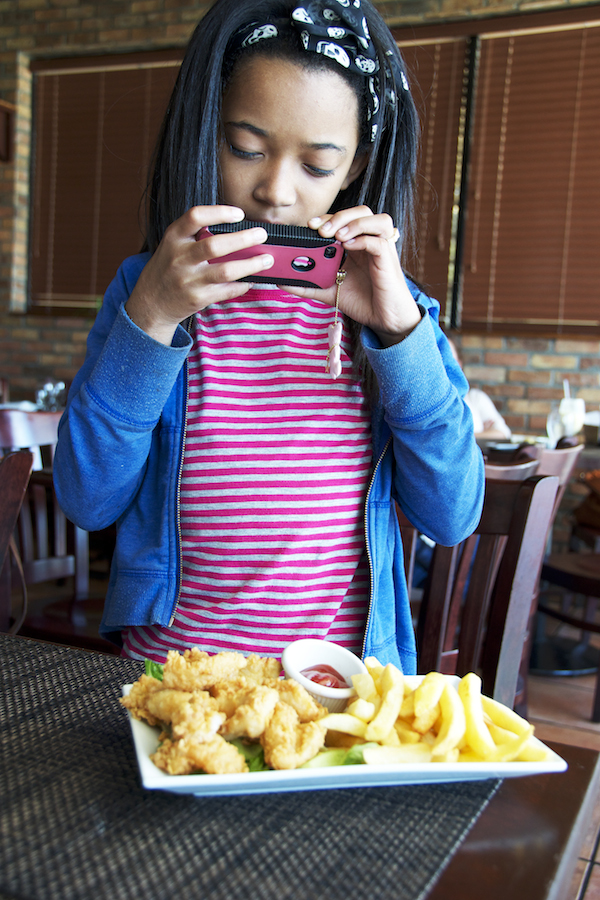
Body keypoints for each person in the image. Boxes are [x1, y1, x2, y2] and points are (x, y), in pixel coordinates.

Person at [53, 0, 484, 672]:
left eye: (316, 166)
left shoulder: (396, 315)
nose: (275, 190)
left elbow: (452, 515)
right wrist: (152, 320)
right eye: (245, 148)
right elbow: (87, 500)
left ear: (357, 167)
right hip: (176, 677)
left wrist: (400, 336)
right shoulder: (149, 291)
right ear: (206, 131)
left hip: (339, 689)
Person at [448, 338, 512, 441]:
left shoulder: (475, 398)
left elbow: (504, 433)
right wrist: (480, 434)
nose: (444, 365)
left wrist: (461, 438)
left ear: (459, 363)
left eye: (450, 359)